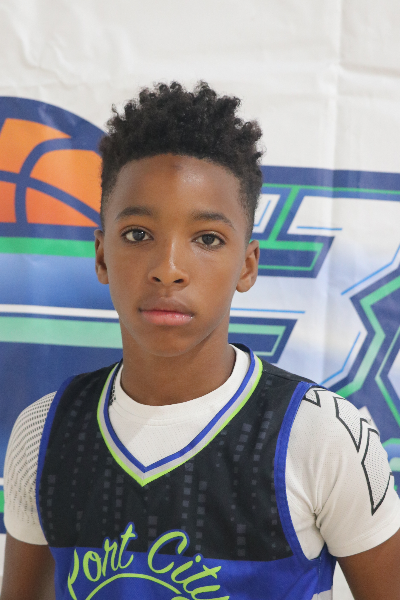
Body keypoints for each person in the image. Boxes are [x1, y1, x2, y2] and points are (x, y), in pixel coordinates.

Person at [1, 82, 400, 600]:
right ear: (101, 256)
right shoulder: (45, 432)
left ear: (247, 265)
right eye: (138, 234)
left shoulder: (318, 434)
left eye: (207, 239)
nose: (168, 269)